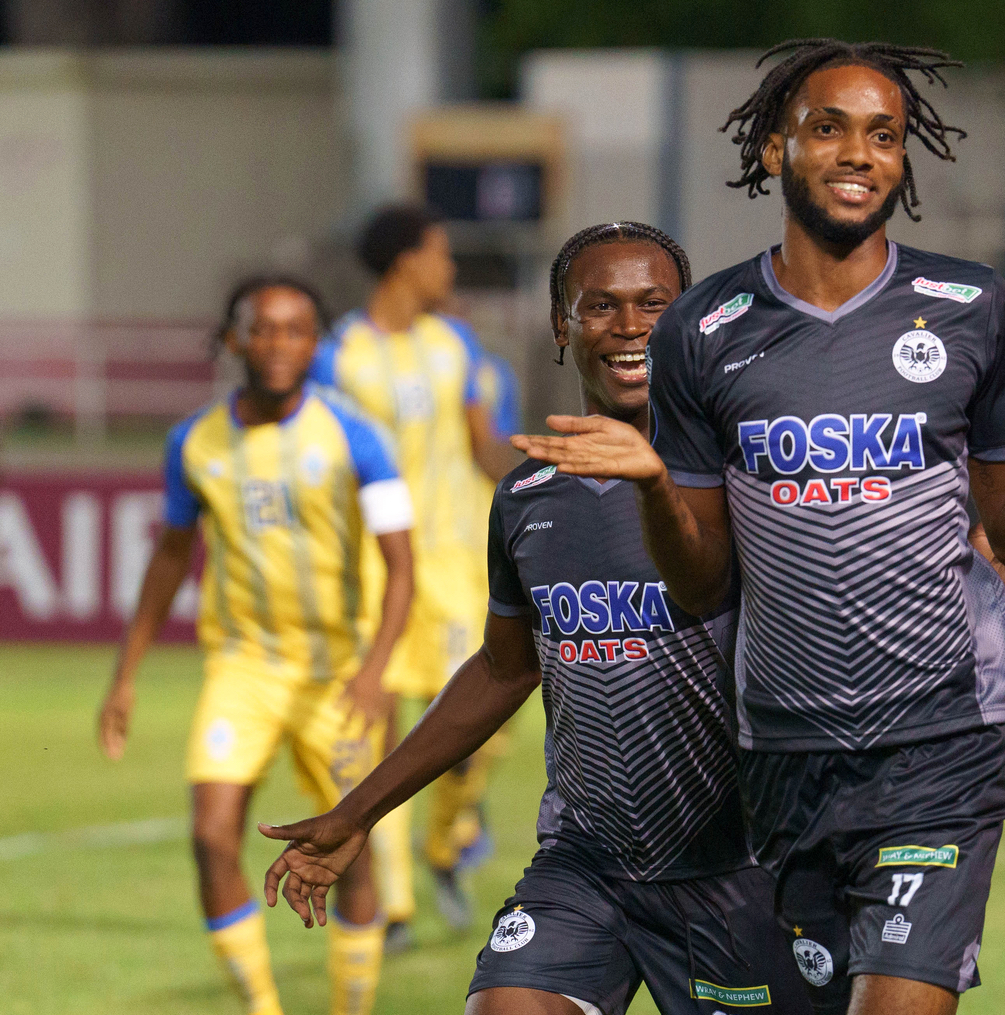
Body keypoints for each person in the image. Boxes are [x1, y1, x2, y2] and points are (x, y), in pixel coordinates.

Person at [509, 40, 1005, 1015]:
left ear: (904, 160)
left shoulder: (969, 307)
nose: (859, 152)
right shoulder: (705, 326)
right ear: (775, 150)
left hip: (939, 734)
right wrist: (653, 484)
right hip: (780, 749)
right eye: (829, 128)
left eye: (884, 135)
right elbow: (700, 589)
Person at [259, 222, 814, 1015]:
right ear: (562, 327)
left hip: (737, 867)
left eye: (654, 304)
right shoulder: (527, 500)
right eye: (599, 306)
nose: (628, 327)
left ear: (688, 319)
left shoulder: (741, 475)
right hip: (585, 864)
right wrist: (359, 812)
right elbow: (503, 668)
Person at [97, 276, 415, 1015]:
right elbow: (172, 556)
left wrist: (374, 672)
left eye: (296, 329)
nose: (278, 344)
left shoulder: (354, 435)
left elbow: (403, 566)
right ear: (235, 338)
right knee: (211, 838)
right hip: (243, 668)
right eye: (262, 329)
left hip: (338, 673)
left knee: (351, 853)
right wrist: (125, 674)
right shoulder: (195, 441)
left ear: (315, 342)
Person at [311, 204, 517, 944]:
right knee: (375, 731)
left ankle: (446, 843)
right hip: (372, 568)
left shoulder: (454, 343)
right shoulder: (338, 356)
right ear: (405, 261)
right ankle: (391, 903)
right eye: (439, 253)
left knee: (482, 727)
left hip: (457, 564)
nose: (449, 268)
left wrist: (539, 470)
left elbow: (480, 446)